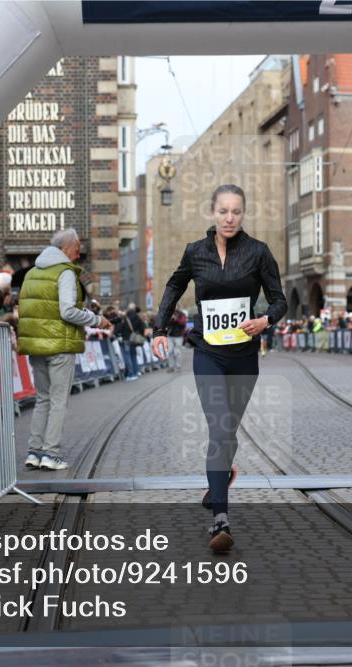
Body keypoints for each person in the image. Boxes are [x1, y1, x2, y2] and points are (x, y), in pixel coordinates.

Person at [151, 184, 286, 553]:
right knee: (219, 425)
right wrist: (159, 329)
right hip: (208, 352)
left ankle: (221, 476)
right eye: (223, 211)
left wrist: (265, 321)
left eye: (236, 212)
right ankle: (221, 521)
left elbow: (280, 299)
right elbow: (174, 286)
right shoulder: (196, 252)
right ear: (213, 212)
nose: (230, 218)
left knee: (228, 431)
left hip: (244, 355)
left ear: (243, 214)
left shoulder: (258, 252)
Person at [18, 228, 111, 471]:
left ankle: (34, 451)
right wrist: (97, 320)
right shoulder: (65, 272)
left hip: (36, 346)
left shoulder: (31, 274)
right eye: (77, 250)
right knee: (58, 401)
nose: (78, 256)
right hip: (59, 345)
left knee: (43, 399)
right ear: (64, 249)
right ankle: (50, 453)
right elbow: (68, 311)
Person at [116, 304, 146, 380]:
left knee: (127, 357)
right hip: (134, 339)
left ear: (128, 309)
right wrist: (140, 335)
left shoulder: (125, 317)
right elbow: (142, 328)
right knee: (133, 356)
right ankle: (136, 372)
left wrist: (118, 333)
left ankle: (131, 374)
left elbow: (120, 328)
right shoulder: (137, 317)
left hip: (126, 338)